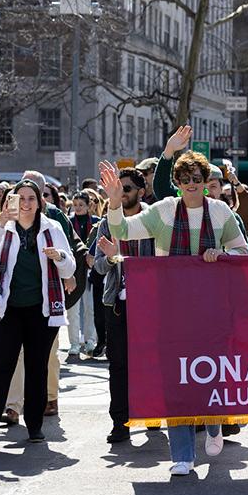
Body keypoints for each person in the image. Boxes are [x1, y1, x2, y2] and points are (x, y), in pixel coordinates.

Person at [101, 150, 248, 476]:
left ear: (206, 181)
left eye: (198, 179)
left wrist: (221, 254)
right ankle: (182, 455)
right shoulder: (164, 211)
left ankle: (213, 423)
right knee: (176, 380)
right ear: (178, 183)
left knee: (211, 373)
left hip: (212, 310)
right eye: (185, 180)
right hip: (171, 310)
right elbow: (123, 231)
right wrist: (114, 202)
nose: (192, 185)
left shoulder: (222, 212)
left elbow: (243, 251)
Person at [0, 181, 75, 446]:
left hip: (42, 310)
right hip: (6, 309)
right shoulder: (3, 227)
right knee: (1, 366)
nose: (25, 203)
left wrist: (59, 256)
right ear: (10, 202)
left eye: (31, 198)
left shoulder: (53, 228)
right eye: (20, 198)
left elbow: (69, 269)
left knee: (37, 367)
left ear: (40, 202)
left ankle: (35, 426)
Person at [92, 168, 155, 443]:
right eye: (118, 189)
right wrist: (112, 257)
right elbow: (99, 265)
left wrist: (119, 256)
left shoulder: (155, 219)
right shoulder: (107, 222)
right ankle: (121, 421)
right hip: (116, 302)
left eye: (127, 188)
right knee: (118, 365)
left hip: (151, 304)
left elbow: (161, 262)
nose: (121, 193)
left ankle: (152, 413)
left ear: (140, 192)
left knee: (151, 363)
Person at [67, 192, 99, 359]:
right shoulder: (68, 222)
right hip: (74, 269)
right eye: (75, 204)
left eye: (81, 205)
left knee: (90, 307)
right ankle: (73, 343)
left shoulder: (96, 223)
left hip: (90, 269)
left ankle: (90, 340)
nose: (78, 208)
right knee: (72, 308)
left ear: (89, 206)